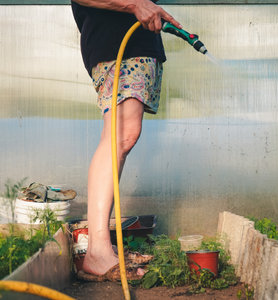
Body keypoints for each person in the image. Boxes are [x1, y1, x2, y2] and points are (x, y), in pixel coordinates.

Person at [70, 0, 181, 281]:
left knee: (124, 135)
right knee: (119, 136)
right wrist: (135, 4)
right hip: (115, 40)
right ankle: (96, 250)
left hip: (138, 42)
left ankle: (100, 246)